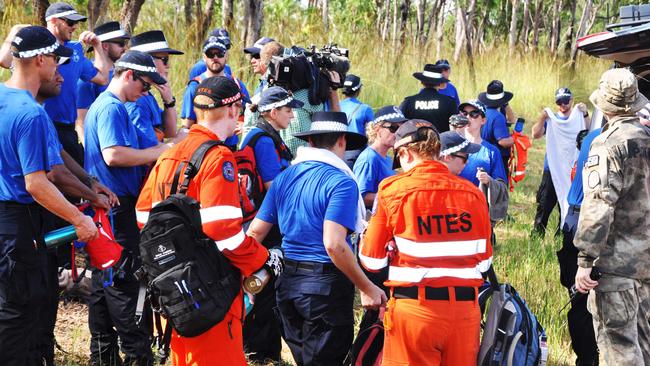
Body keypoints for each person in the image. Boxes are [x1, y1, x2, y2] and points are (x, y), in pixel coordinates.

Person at [136, 76, 272, 365]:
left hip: (173, 288)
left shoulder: (170, 154)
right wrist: (260, 259)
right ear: (235, 110)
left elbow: (143, 217)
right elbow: (223, 230)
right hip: (210, 288)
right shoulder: (219, 156)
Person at [247, 111, 386, 365]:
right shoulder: (341, 181)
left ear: (310, 142)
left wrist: (248, 277)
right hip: (325, 287)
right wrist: (367, 287)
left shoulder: (285, 177)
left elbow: (255, 232)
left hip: (286, 284)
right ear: (342, 141)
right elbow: (333, 243)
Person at [0, 25, 98, 366]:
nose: (58, 68)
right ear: (40, 60)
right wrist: (79, 219)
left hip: (6, 220)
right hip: (20, 224)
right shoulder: (30, 114)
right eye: (55, 59)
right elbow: (38, 183)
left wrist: (88, 187)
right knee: (18, 314)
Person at [359, 119, 492, 366]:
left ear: (405, 154)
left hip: (414, 312)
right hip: (464, 314)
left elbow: (371, 260)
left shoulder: (393, 189)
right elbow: (484, 262)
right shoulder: (473, 194)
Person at [83, 50, 172, 365]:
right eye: (145, 85)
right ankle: (137, 354)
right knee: (123, 281)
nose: (145, 93)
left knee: (103, 281)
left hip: (109, 208)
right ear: (129, 75)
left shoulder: (109, 106)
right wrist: (159, 152)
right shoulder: (111, 108)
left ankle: (103, 354)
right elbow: (114, 155)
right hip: (117, 209)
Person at [37, 68, 120, 366]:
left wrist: (90, 181)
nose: (62, 78)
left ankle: (44, 352)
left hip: (41, 216)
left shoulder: (40, 113)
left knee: (46, 290)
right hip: (21, 215)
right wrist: (86, 203)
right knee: (26, 300)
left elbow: (59, 154)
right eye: (55, 70)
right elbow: (53, 173)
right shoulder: (28, 111)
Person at [574, 68, 650, 365]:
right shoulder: (647, 136)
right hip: (646, 263)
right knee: (644, 347)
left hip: (616, 267)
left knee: (619, 349)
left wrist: (584, 260)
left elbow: (599, 205)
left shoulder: (607, 145)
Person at [239, 86, 301, 363]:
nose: (292, 115)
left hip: (263, 219)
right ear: (272, 112)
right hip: (263, 222)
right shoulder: (264, 139)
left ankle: (263, 350)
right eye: (288, 110)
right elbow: (272, 186)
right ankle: (261, 353)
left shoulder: (264, 133)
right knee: (263, 288)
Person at [42, 2, 112, 165]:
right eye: (70, 22)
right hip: (42, 124)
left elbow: (102, 78)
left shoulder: (75, 49)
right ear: (53, 21)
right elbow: (4, 60)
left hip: (67, 129)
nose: (74, 27)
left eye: (76, 23)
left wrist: (97, 46)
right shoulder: (36, 46)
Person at [558, 126, 601, 366]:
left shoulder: (595, 134)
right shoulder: (614, 137)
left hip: (578, 220)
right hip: (589, 220)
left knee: (581, 300)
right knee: (583, 299)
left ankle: (587, 359)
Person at [530, 88, 590, 237]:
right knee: (544, 203)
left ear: (572, 100)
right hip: (552, 168)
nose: (563, 105)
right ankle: (537, 233)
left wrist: (586, 114)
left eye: (566, 101)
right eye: (559, 101)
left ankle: (562, 234)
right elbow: (535, 134)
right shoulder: (552, 118)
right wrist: (542, 118)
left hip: (572, 170)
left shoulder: (579, 116)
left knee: (568, 203)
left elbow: (590, 132)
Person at [180, 35, 250, 147]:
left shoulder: (236, 84)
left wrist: (244, 124)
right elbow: (187, 126)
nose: (215, 57)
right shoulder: (195, 87)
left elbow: (251, 113)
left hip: (231, 149)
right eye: (210, 54)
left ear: (226, 56)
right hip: (204, 150)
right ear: (204, 57)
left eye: (220, 54)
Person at [127, 30, 184, 149]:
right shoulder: (138, 101)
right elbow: (148, 150)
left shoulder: (147, 95)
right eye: (164, 60)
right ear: (148, 60)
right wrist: (178, 142)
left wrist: (169, 102)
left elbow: (169, 132)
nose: (168, 66)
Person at [75, 21, 130, 143]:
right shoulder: (88, 78)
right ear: (105, 46)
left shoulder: (123, 73)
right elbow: (81, 121)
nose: (125, 48)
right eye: (120, 44)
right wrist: (91, 152)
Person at [456, 101, 509, 224]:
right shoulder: (453, 146)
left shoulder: (492, 151)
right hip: (454, 208)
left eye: (474, 114)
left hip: (478, 212)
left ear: (483, 120)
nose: (468, 117)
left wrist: (488, 180)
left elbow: (502, 186)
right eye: (464, 114)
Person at [353, 105, 407, 209]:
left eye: (400, 129)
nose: (397, 133)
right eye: (393, 128)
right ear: (377, 129)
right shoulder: (369, 158)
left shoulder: (386, 158)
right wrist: (394, 196)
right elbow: (360, 196)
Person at [400, 64, 457, 133]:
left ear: (422, 82)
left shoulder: (408, 102)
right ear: (439, 83)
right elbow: (455, 128)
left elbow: (401, 126)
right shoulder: (449, 103)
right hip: (442, 142)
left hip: (414, 143)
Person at [477, 80, 515, 176]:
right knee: (499, 188)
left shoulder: (481, 111)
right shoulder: (498, 117)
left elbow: (512, 119)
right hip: (497, 160)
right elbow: (503, 142)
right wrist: (514, 139)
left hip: (482, 156)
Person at [341, 74, 374, 167]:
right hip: (358, 152)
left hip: (338, 150)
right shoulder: (365, 109)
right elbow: (372, 133)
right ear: (359, 90)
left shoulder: (335, 107)